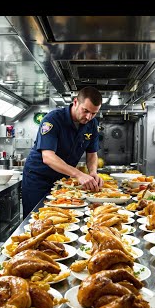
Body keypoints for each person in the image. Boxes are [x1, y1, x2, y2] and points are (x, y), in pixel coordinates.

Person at [22, 86, 104, 217]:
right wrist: (78, 174)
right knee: (36, 218)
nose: (89, 117)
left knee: (62, 218)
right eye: (85, 111)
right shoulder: (52, 120)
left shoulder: (92, 124)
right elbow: (48, 157)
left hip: (62, 179)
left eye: (94, 113)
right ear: (75, 102)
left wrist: (93, 172)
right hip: (38, 179)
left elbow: (92, 153)